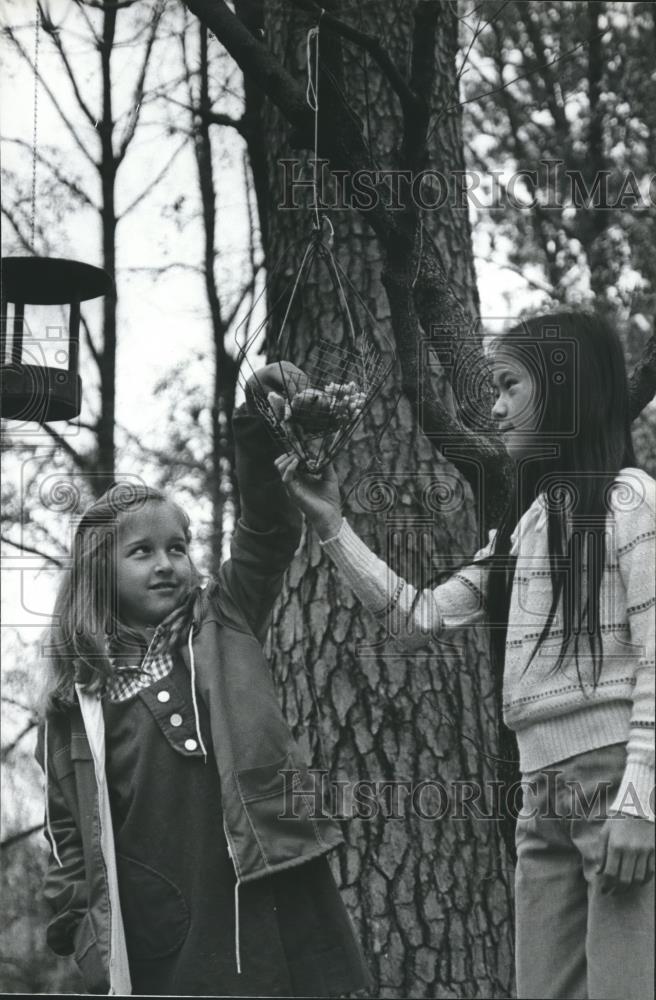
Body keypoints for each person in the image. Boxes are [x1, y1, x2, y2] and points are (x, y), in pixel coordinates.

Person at [274, 312, 655, 1000]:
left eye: (510, 386)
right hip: (542, 800)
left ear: (567, 389)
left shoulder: (629, 501)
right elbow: (416, 619)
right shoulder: (522, 528)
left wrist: (639, 801)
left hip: (614, 785)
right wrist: (331, 525)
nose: (498, 407)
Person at [35, 362, 371, 997]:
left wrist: (256, 423)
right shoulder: (74, 706)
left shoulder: (223, 619)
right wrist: (81, 934)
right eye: (142, 552)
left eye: (178, 547)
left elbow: (267, 533)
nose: (167, 563)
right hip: (159, 921)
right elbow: (66, 835)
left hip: (262, 885)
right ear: (96, 575)